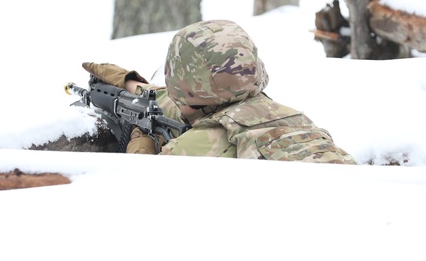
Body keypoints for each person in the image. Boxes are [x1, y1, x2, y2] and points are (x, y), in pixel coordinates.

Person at [83, 19, 357, 164]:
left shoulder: (192, 151)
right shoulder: (283, 115)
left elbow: (136, 198)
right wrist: (131, 83)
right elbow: (178, 102)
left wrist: (140, 145)